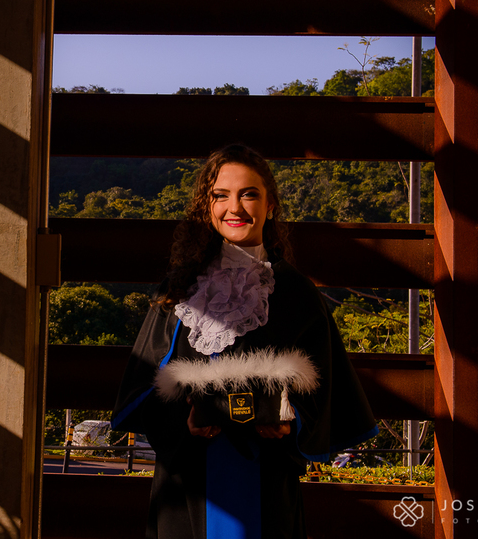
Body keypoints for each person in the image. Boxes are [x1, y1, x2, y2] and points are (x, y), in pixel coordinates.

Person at [112, 145, 376, 539]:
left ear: (270, 206)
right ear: (208, 207)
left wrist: (290, 419)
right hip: (187, 489)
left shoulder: (296, 294)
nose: (234, 207)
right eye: (221, 195)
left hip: (266, 486)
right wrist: (183, 419)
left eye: (248, 194)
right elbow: (142, 390)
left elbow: (327, 393)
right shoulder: (178, 291)